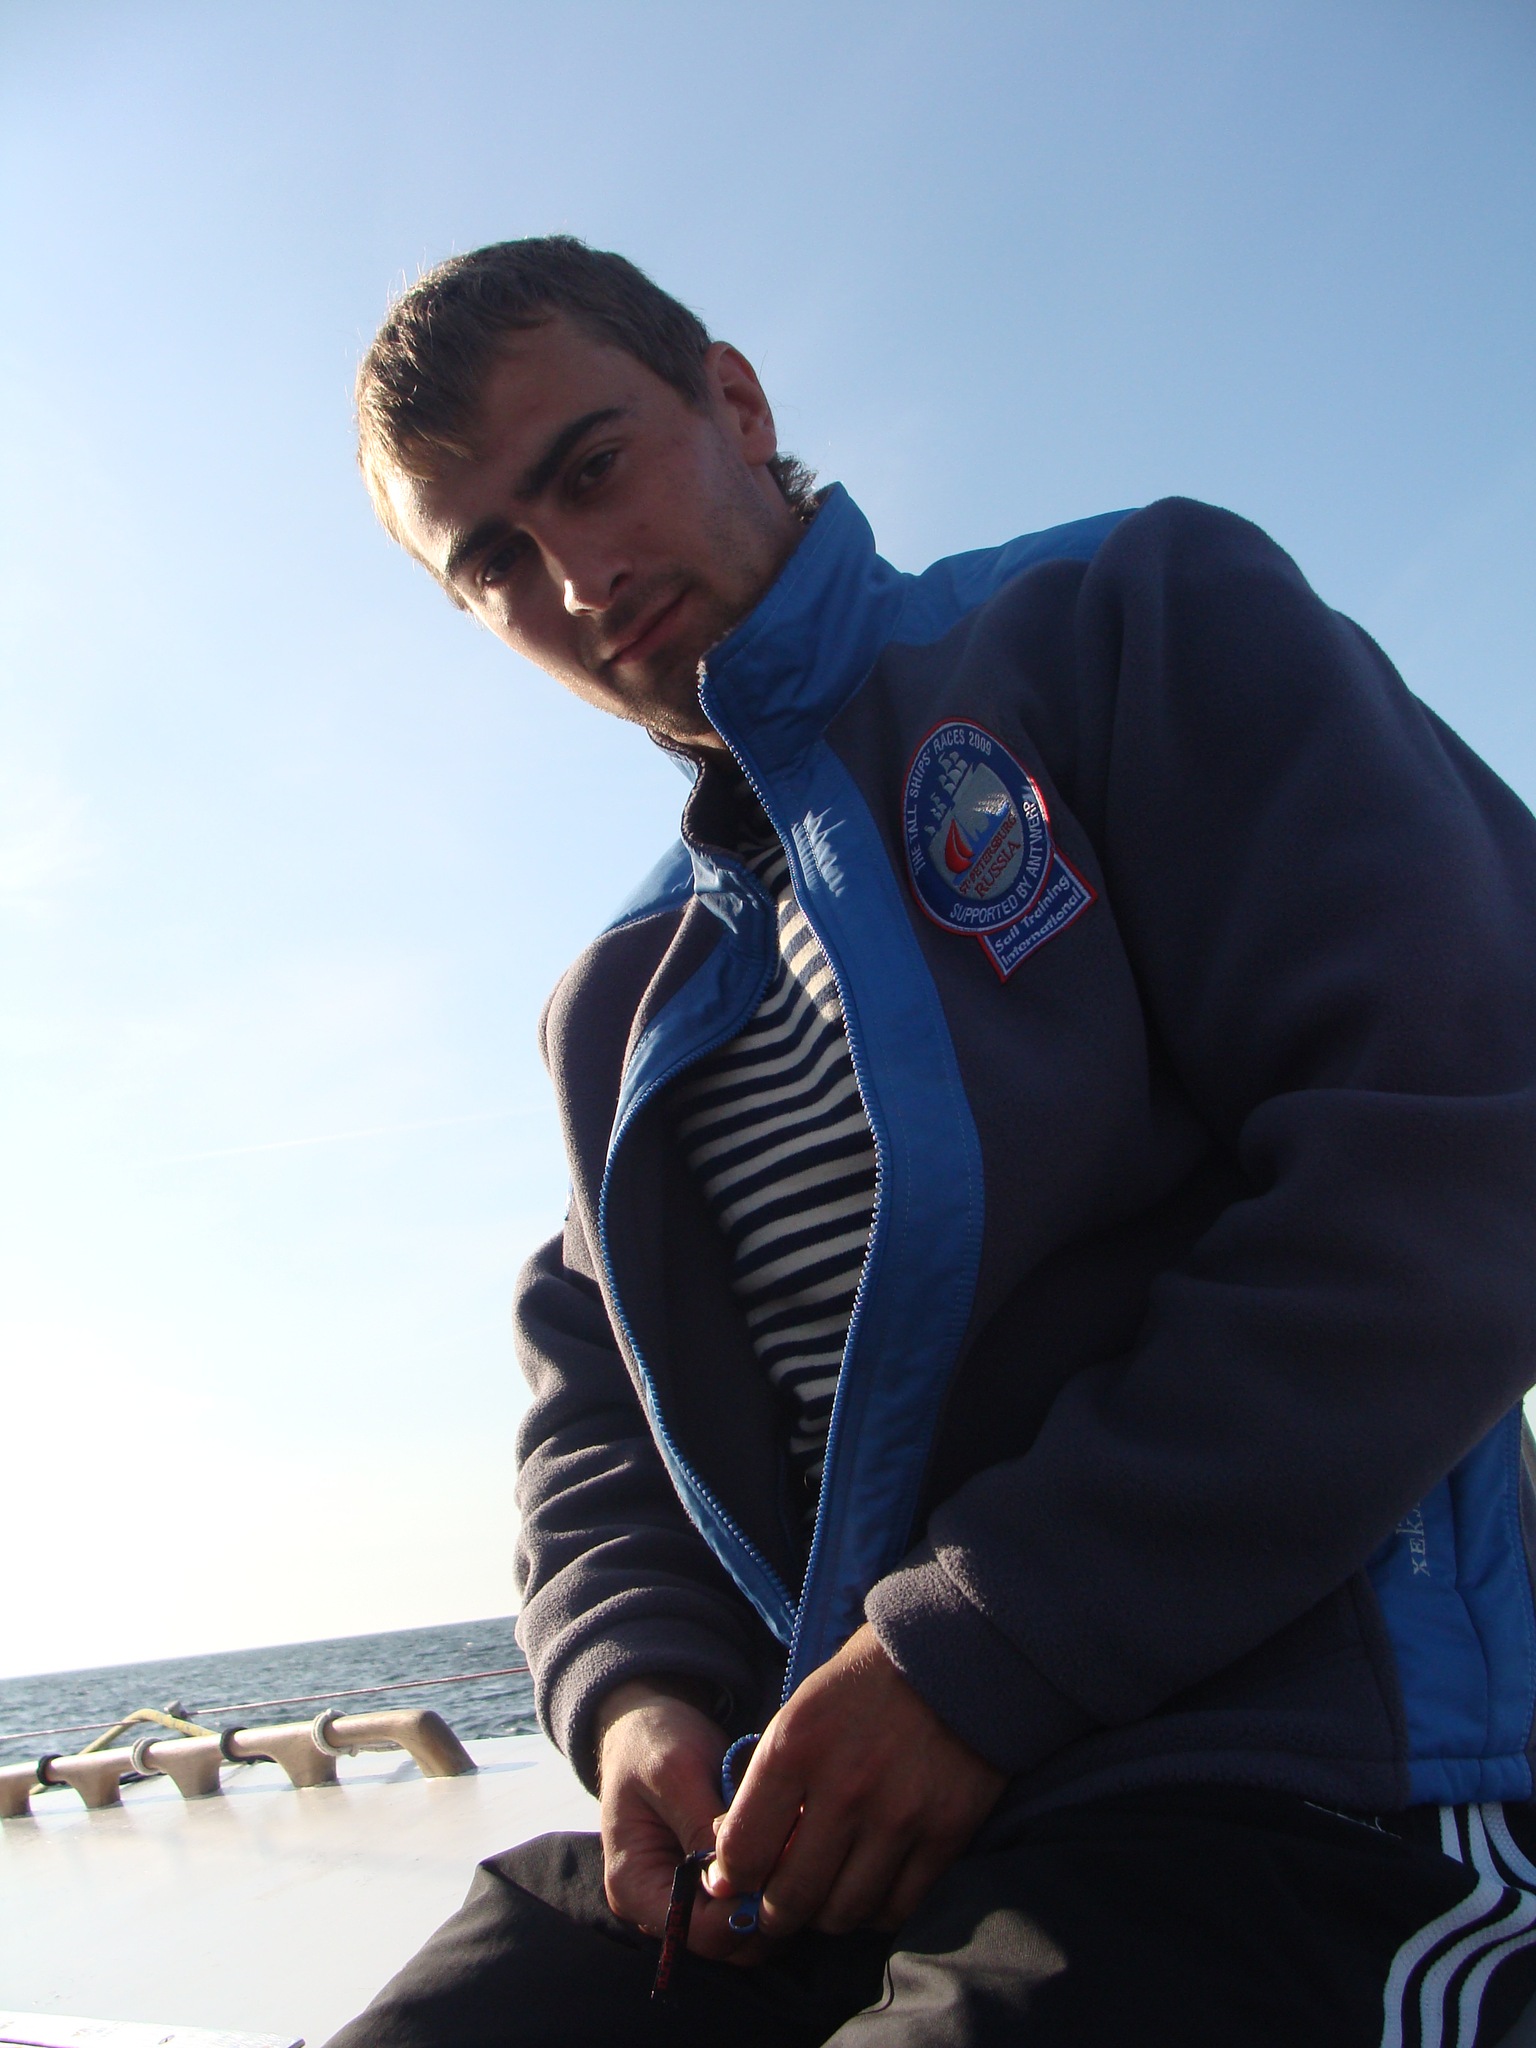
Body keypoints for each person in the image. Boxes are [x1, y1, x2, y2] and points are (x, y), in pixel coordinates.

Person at [330, 236, 1536, 2046]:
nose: (573, 574)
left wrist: (985, 1651)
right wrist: (639, 1695)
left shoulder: (1128, 619)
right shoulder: (623, 1003)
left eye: (591, 469)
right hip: (820, 1847)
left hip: (1277, 1783)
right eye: (492, 559)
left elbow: (1463, 1144)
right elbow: (596, 1414)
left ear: (735, 401)